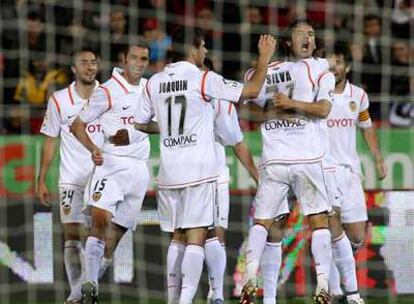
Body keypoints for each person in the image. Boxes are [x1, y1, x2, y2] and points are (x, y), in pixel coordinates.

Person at [134, 27, 275, 304]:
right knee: (198, 238)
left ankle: (174, 298)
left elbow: (139, 122)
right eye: (204, 47)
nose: (206, 52)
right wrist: (264, 58)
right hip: (199, 171)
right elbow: (253, 89)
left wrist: (168, 128)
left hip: (168, 172)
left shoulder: (154, 82)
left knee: (177, 238)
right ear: (194, 48)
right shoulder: (203, 79)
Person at [240, 19, 335, 304]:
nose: (308, 37)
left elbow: (250, 94)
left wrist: (287, 104)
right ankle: (320, 285)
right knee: (312, 220)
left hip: (283, 158)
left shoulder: (313, 68)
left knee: (265, 220)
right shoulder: (318, 69)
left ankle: (255, 281)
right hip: (301, 158)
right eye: (301, 33)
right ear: (288, 41)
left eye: (312, 33)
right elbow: (322, 110)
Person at [71, 39, 151, 304]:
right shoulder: (107, 91)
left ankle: (80, 292)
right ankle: (90, 287)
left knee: (113, 240)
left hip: (139, 170)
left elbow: (162, 125)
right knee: (100, 222)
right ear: (123, 59)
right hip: (112, 165)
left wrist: (136, 132)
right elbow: (77, 125)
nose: (140, 63)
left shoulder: (151, 89)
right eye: (135, 58)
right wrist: (94, 148)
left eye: (144, 59)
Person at [36, 48, 101, 304]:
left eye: (93, 62)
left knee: (98, 235)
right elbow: (50, 140)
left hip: (100, 178)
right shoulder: (59, 99)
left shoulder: (107, 95)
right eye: (83, 62)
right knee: (72, 236)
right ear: (73, 68)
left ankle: (83, 292)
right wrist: (41, 178)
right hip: (71, 178)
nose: (89, 66)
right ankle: (77, 297)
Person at [325, 43, 387, 303]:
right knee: (332, 226)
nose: (333, 66)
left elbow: (366, 126)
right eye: (329, 62)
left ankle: (336, 274)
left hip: (351, 171)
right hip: (325, 169)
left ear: (347, 67)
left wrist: (377, 158)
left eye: (338, 62)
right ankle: (338, 290)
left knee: (358, 235)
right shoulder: (318, 94)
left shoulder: (358, 95)